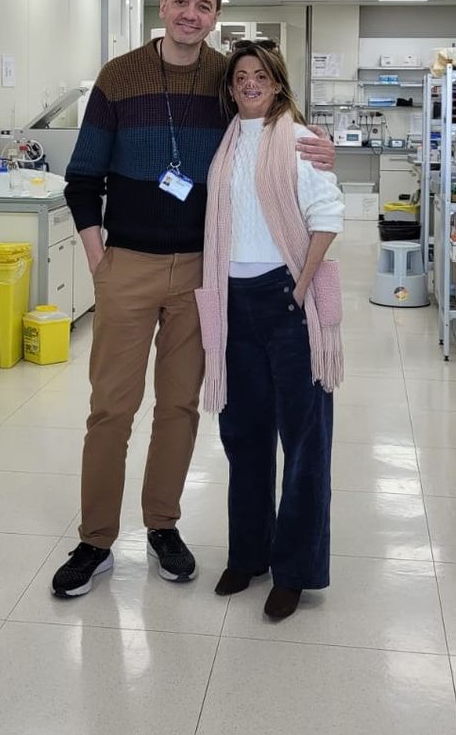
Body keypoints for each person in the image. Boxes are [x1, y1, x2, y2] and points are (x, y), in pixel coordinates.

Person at [52, 0, 336, 598]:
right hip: (128, 265)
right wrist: (102, 265)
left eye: (203, 6)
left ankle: (162, 527)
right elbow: (82, 182)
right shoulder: (119, 77)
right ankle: (95, 539)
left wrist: (323, 146)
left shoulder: (224, 78)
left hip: (203, 275)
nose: (190, 13)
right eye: (180, 1)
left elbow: (277, 122)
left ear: (215, 15)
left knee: (180, 406)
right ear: (163, 7)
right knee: (111, 409)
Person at [196, 41, 344, 620]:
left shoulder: (301, 141)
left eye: (260, 76)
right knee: (243, 433)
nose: (250, 84)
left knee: (304, 441)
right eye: (240, 77)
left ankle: (295, 570)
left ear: (278, 84)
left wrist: (301, 287)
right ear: (230, 88)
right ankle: (248, 554)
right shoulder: (227, 143)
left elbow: (327, 219)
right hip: (232, 302)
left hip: (287, 300)